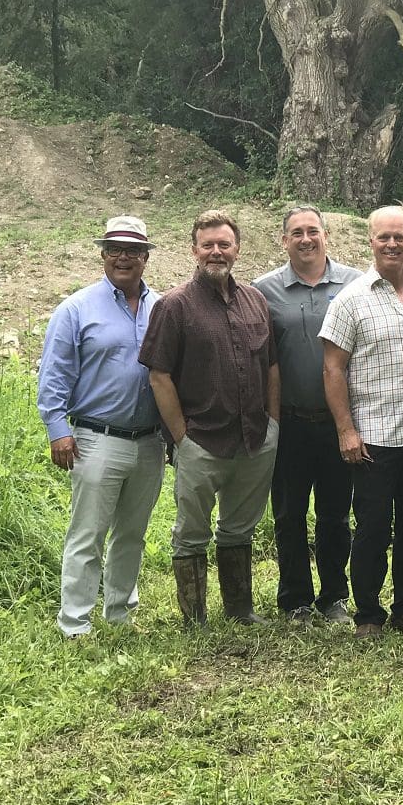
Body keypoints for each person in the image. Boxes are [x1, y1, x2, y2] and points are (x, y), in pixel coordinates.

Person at [139, 209, 280, 627]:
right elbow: (159, 375)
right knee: (191, 531)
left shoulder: (256, 300)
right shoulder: (174, 305)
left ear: (237, 249)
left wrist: (273, 425)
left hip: (254, 439)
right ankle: (195, 619)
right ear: (194, 250)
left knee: (239, 528)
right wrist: (181, 437)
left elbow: (271, 366)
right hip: (201, 439)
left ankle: (239, 611)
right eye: (208, 245)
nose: (216, 252)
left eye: (224, 244)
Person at [320, 204, 403, 639]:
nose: (392, 244)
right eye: (383, 237)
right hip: (374, 437)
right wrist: (346, 430)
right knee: (373, 527)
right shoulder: (350, 300)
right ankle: (369, 614)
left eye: (400, 236)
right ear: (370, 241)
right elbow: (333, 369)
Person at [38, 215, 164, 638]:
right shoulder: (76, 308)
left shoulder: (161, 307)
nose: (123, 257)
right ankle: (74, 622)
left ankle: (119, 613)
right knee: (87, 534)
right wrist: (58, 428)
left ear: (146, 257)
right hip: (95, 438)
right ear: (103, 255)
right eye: (114, 249)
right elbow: (54, 374)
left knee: (132, 534)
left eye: (132, 250)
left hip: (150, 441)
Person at [253, 205, 361, 625]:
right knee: (289, 513)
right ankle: (295, 599)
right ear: (284, 240)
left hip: (340, 422)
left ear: (326, 235)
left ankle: (334, 596)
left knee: (335, 514)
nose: (305, 239)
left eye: (312, 231)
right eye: (296, 232)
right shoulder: (263, 291)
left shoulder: (355, 284)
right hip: (289, 423)